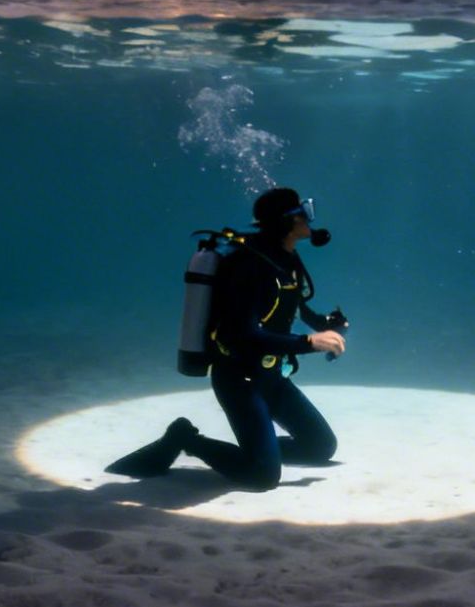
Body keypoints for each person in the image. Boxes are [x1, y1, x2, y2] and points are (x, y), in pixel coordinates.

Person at [105, 187, 346, 489]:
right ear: (287, 222)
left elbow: (292, 305)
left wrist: (326, 324)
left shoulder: (286, 258)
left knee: (320, 446)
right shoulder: (250, 266)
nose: (310, 219)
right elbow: (242, 335)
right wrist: (309, 343)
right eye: (304, 213)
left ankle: (259, 453)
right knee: (262, 477)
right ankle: (186, 439)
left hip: (272, 376)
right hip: (240, 380)